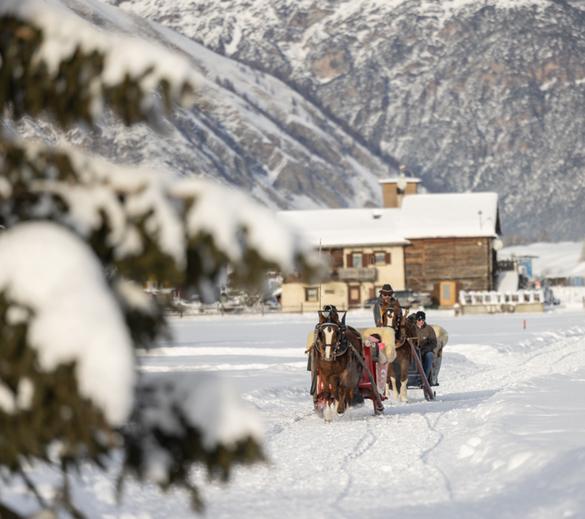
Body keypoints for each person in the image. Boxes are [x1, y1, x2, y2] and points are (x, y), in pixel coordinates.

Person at [414, 310, 437, 385]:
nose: (421, 321)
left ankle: (425, 379)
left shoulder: (429, 329)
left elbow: (434, 342)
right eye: (419, 320)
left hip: (425, 351)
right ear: (416, 320)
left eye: (422, 319)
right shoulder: (411, 328)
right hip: (413, 351)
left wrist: (425, 350)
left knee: (429, 355)